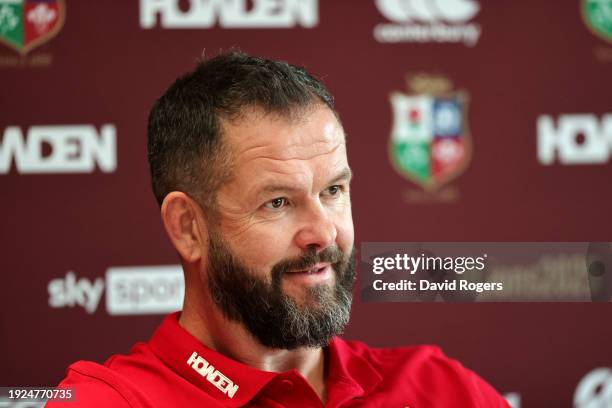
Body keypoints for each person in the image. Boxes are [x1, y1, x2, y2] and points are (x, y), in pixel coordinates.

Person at [46, 52, 509, 408]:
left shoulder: (441, 387)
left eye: (333, 191)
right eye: (278, 202)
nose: (323, 233)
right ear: (188, 227)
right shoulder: (110, 400)